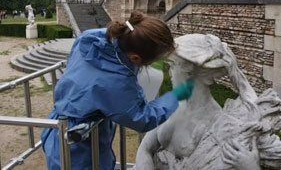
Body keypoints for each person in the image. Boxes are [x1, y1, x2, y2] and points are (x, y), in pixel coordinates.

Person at [41, 11, 194, 170]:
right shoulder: (117, 82)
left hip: (57, 129)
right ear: (135, 58)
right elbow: (141, 118)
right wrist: (174, 97)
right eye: (152, 62)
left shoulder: (92, 37)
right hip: (79, 148)